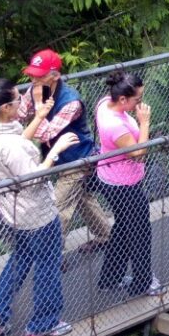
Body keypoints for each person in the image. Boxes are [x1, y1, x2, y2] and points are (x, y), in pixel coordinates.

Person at [0, 78, 79, 336]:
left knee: (20, 258)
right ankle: (44, 322)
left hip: (11, 209)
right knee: (48, 265)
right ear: (6, 108)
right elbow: (33, 179)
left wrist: (39, 116)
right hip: (36, 214)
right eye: (18, 99)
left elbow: (16, 145)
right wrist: (56, 150)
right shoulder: (10, 146)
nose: (23, 100)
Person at [19, 50, 112, 256]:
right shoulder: (35, 88)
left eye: (40, 75)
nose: (33, 79)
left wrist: (38, 108)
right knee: (81, 199)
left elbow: (45, 134)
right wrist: (34, 103)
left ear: (55, 76)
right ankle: (106, 236)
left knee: (58, 207)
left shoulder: (71, 101)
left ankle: (51, 255)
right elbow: (19, 116)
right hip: (55, 157)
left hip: (77, 159)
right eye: (32, 74)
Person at [92, 71, 160, 298]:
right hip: (123, 185)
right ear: (122, 100)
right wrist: (145, 123)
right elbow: (139, 153)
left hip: (110, 176)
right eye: (137, 100)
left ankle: (110, 277)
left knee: (123, 227)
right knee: (140, 232)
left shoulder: (105, 103)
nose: (140, 104)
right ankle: (142, 283)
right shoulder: (115, 126)